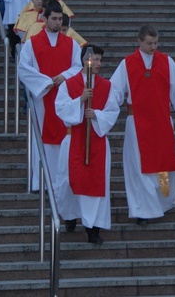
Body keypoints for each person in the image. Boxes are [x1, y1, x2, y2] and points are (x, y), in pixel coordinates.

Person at [110, 25, 175, 225]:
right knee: (139, 168)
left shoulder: (167, 62)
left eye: (156, 43)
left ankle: (162, 203)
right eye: (149, 43)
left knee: (163, 166)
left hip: (161, 121)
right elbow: (114, 92)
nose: (153, 47)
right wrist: (104, 110)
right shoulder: (127, 64)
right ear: (139, 42)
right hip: (137, 124)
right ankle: (143, 210)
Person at [55, 45, 120, 243]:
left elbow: (112, 111)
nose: (98, 64)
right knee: (69, 181)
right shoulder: (68, 84)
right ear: (84, 60)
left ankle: (94, 228)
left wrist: (97, 115)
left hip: (97, 141)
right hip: (73, 139)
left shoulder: (107, 86)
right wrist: (80, 101)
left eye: (100, 60)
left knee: (95, 183)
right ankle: (70, 215)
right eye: (94, 59)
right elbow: (60, 108)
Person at [18, 0, 83, 191]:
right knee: (41, 137)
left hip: (64, 98)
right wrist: (45, 82)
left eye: (59, 19)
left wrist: (63, 76)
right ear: (44, 18)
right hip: (43, 98)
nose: (57, 22)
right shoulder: (32, 44)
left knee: (64, 137)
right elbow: (23, 68)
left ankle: (62, 181)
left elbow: (78, 67)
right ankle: (40, 181)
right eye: (53, 19)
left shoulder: (72, 44)